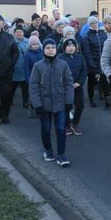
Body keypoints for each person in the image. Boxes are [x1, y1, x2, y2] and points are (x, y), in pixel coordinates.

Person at [30, 38, 73, 167]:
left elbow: (69, 84)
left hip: (60, 103)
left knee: (60, 129)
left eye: (53, 48)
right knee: (46, 128)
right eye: (48, 48)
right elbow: (33, 86)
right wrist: (37, 104)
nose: (50, 50)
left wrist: (69, 101)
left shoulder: (63, 64)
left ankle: (61, 155)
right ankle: (48, 150)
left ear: (56, 49)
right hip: (44, 104)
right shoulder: (38, 66)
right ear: (43, 49)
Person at [58, 38, 87, 136]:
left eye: (73, 46)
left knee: (80, 106)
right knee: (67, 106)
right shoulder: (60, 58)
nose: (71, 48)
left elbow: (84, 71)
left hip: (78, 86)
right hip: (65, 87)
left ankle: (74, 123)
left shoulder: (80, 57)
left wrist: (79, 83)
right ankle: (66, 125)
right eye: (69, 46)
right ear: (65, 47)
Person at [82, 16, 110, 108]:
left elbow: (107, 47)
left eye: (96, 23)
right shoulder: (87, 36)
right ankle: (91, 98)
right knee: (91, 82)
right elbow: (87, 52)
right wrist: (92, 64)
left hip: (103, 62)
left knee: (104, 81)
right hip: (92, 64)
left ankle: (107, 99)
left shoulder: (102, 33)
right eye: (92, 23)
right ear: (89, 24)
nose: (94, 25)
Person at [11, 26, 29, 108]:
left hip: (25, 67)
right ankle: (10, 100)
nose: (19, 33)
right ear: (14, 33)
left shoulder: (28, 42)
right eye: (17, 32)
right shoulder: (11, 42)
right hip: (15, 67)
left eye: (20, 32)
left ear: (23, 33)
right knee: (12, 86)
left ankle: (25, 102)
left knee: (25, 87)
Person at [24, 36, 43, 117]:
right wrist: (28, 79)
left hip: (42, 77)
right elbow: (26, 68)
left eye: (37, 44)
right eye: (33, 44)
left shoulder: (42, 53)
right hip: (32, 76)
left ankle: (39, 109)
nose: (35, 46)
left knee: (41, 93)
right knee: (33, 93)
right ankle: (31, 107)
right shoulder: (28, 54)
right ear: (30, 45)